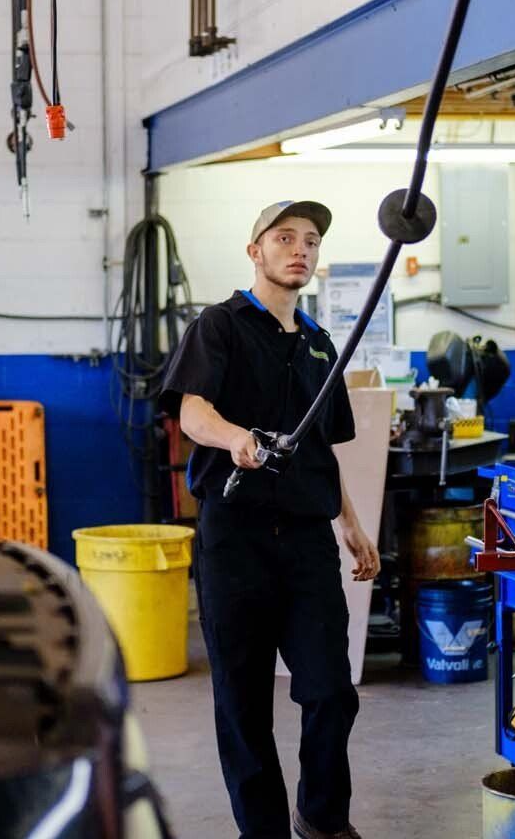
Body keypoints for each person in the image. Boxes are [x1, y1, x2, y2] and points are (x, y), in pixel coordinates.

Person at [159, 200, 380, 839]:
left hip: (308, 544)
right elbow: (192, 413)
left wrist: (351, 523)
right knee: (243, 701)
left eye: (310, 240)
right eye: (284, 237)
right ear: (255, 251)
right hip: (236, 541)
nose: (300, 249)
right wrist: (236, 439)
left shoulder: (319, 345)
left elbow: (323, 447)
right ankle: (262, 832)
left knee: (331, 690)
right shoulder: (220, 327)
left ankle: (321, 816)